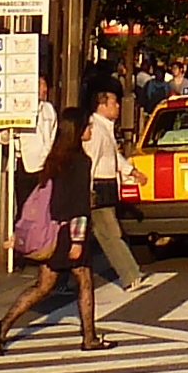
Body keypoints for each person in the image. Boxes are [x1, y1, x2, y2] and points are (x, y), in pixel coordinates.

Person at [0, 92, 104, 354]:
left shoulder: (54, 159)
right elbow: (78, 204)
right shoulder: (81, 162)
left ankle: (3, 325)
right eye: (87, 126)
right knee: (84, 280)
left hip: (52, 230)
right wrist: (77, 239)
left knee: (44, 285)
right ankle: (90, 338)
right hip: (70, 231)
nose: (90, 130)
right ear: (77, 130)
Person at [77, 82, 145, 292]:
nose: (117, 107)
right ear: (101, 106)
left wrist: (131, 172)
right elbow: (90, 161)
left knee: (93, 235)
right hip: (97, 185)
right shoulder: (95, 130)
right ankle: (130, 275)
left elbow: (113, 157)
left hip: (105, 184)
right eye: (114, 103)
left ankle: (68, 279)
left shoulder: (103, 129)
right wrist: (86, 191)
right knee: (109, 233)